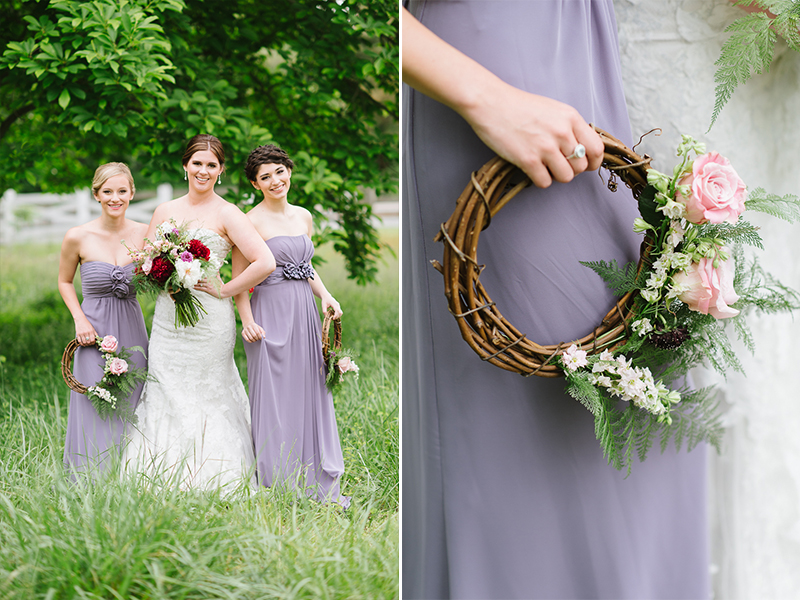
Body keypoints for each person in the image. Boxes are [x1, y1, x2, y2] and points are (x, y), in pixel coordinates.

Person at [402, 3, 707, 599]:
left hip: (579, 73)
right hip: (493, 77)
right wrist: (487, 98)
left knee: (643, 409)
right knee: (540, 429)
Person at [124, 134, 275, 492]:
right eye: (197, 163)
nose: (203, 171)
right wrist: (163, 271)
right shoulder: (164, 211)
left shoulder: (227, 213)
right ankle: (159, 473)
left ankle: (216, 474)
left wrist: (225, 289)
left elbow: (264, 261)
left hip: (209, 319)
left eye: (211, 165)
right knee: (166, 388)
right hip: (168, 319)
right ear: (185, 166)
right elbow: (142, 262)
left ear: (221, 171)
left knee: (208, 391)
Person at [232, 144, 350, 508]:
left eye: (279, 172)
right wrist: (247, 320)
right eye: (265, 177)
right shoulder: (250, 221)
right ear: (255, 184)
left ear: (289, 171)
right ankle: (277, 477)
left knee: (308, 388)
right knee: (274, 394)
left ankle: (313, 471)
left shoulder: (303, 216)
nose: (275, 181)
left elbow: (306, 266)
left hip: (304, 311)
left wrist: (326, 295)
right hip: (269, 314)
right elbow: (239, 278)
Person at [58, 162, 148, 478]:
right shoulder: (78, 236)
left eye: (122, 191)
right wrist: (79, 320)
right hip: (93, 330)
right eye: (107, 191)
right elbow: (64, 282)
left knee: (133, 399)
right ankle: (89, 474)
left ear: (132, 192)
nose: (115, 198)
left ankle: (129, 474)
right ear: (96, 194)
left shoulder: (145, 234)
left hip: (132, 328)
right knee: (95, 400)